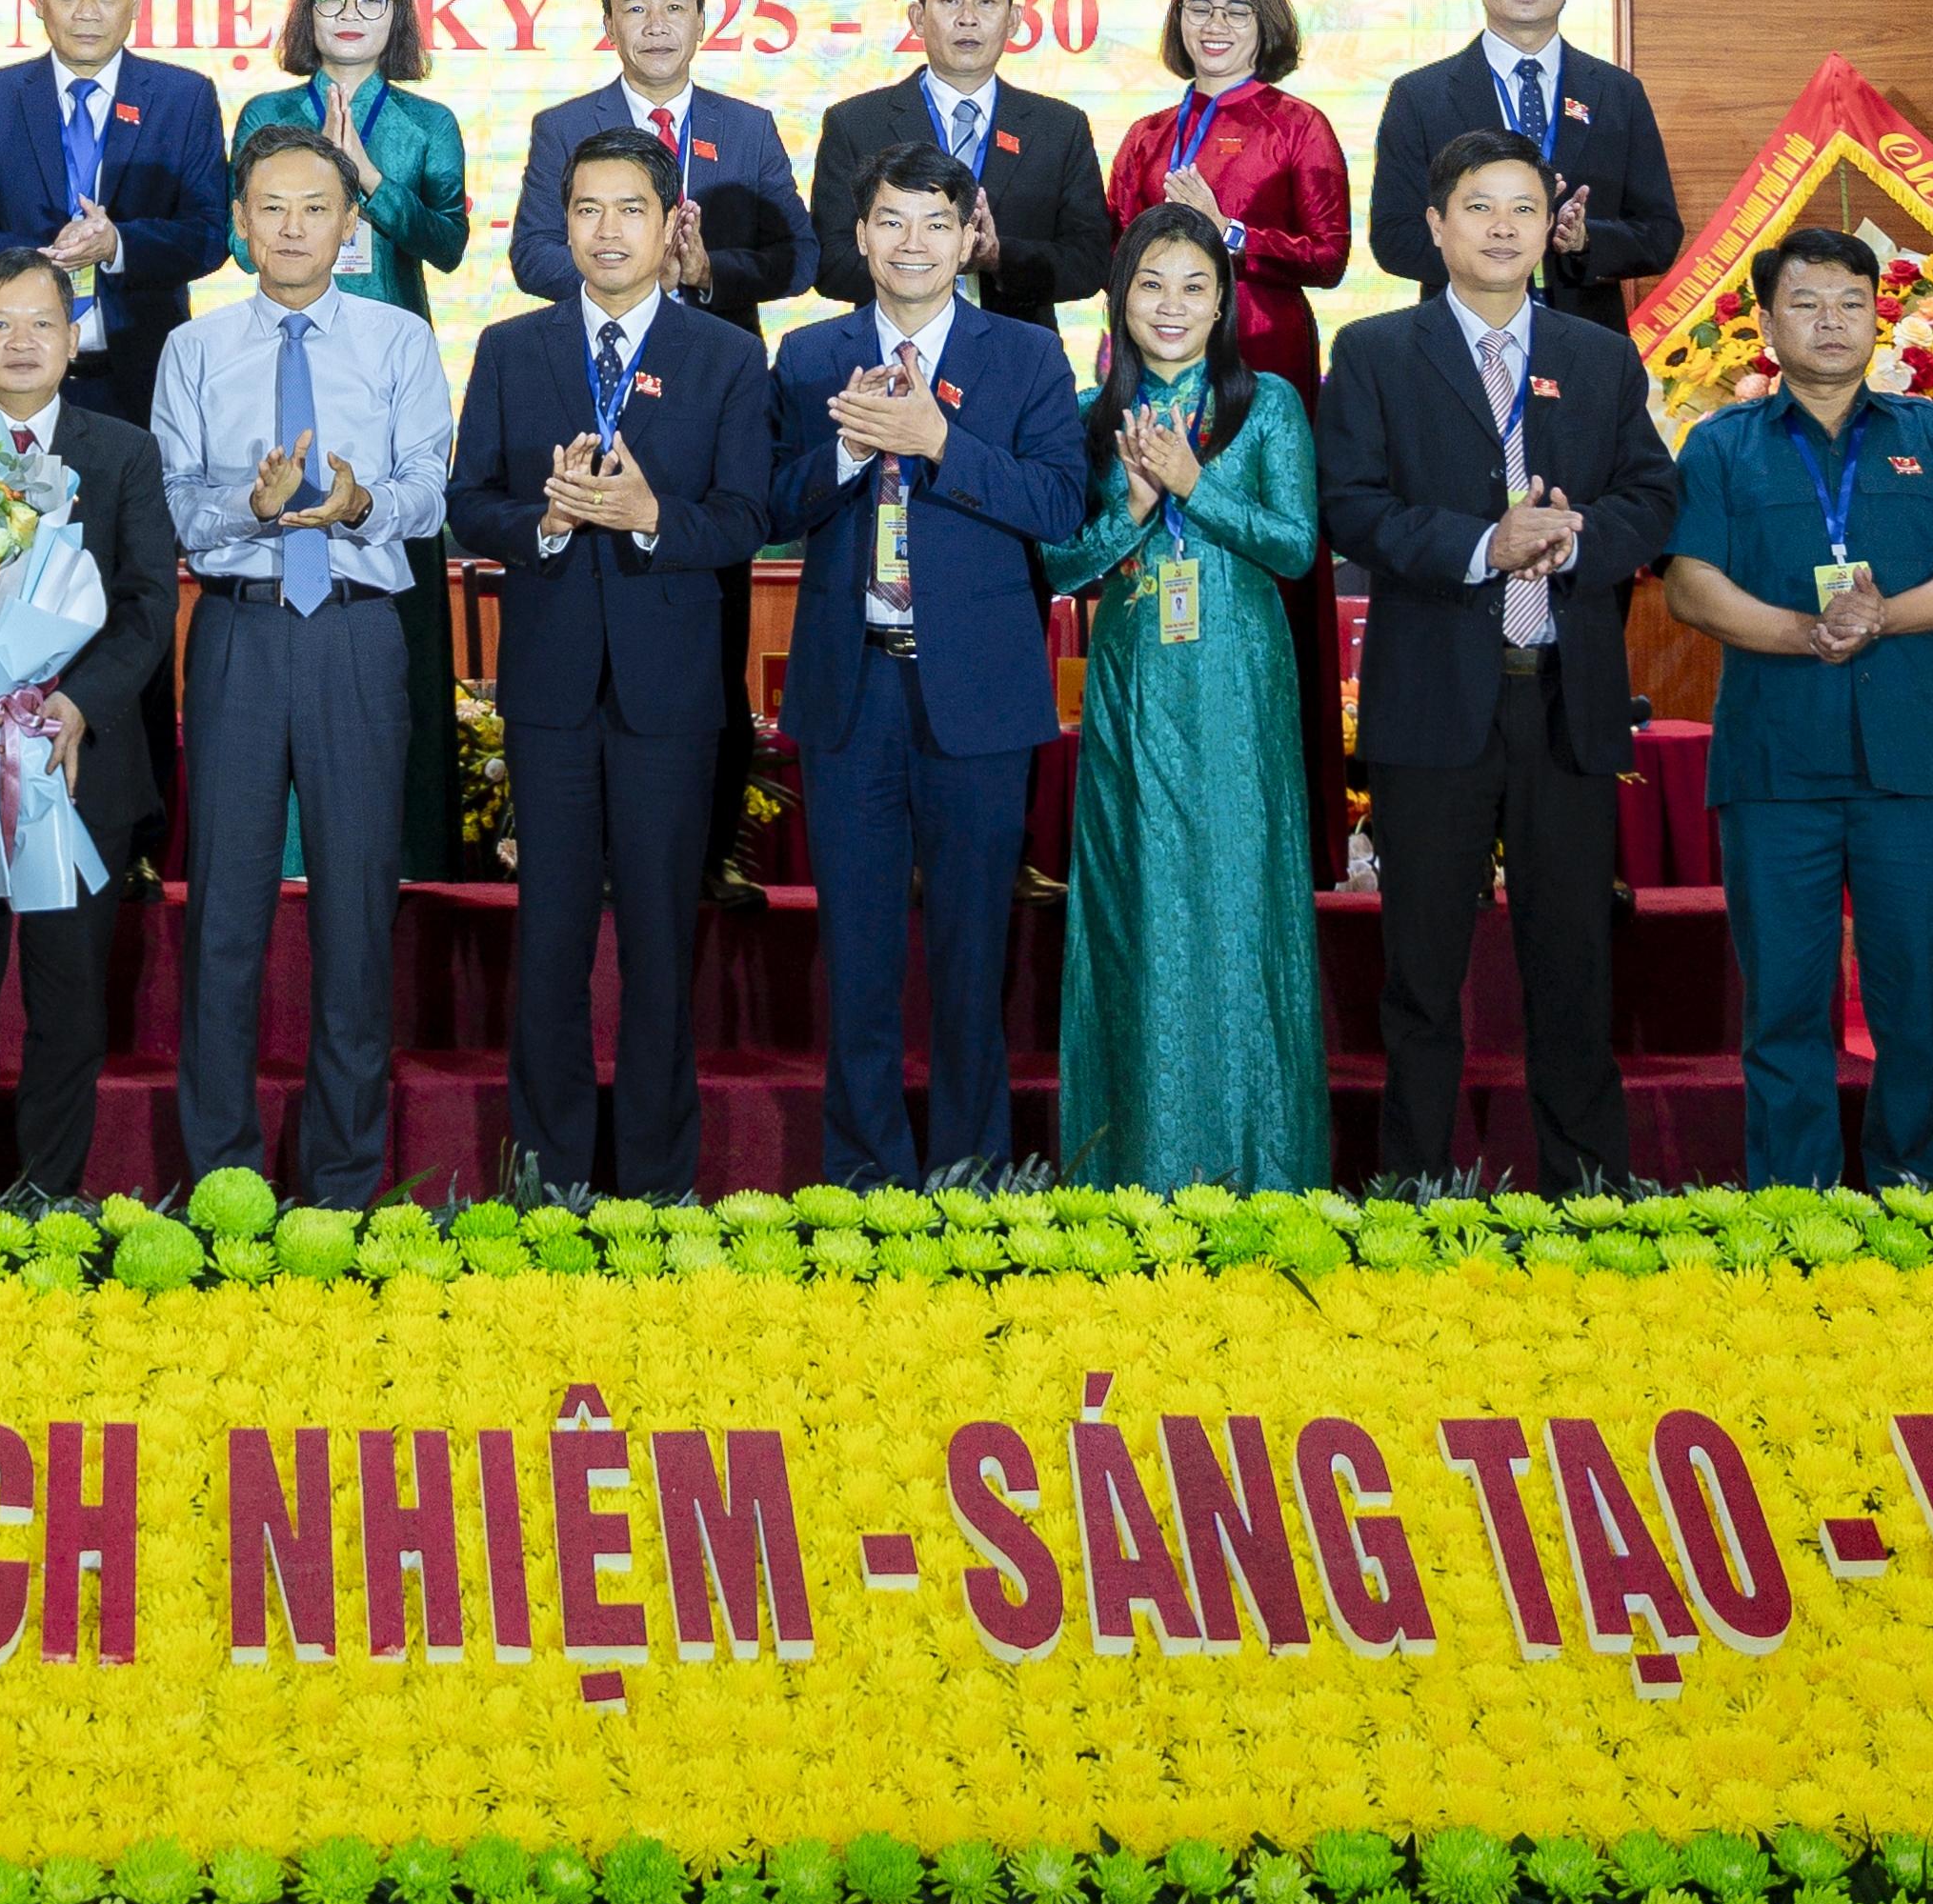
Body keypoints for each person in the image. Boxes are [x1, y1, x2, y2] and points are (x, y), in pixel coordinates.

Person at [1315, 129, 1683, 1184]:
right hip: (1433, 706)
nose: (1504, 228)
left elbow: (1653, 495)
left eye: (1525, 207)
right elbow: (1351, 507)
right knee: (1423, 974)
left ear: (1549, 226)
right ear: (1436, 226)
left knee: (1573, 964)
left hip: (1566, 702)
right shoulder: (1376, 352)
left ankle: (1588, 1192)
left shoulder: (1598, 355)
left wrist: (1576, 541)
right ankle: (1416, 1189)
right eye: (1479, 207)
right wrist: (1487, 545)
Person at [451, 130, 777, 1196]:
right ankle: (543, 1179)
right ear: (563, 224)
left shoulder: (727, 356)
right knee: (548, 944)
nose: (606, 231)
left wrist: (649, 516)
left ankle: (656, 1184)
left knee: (658, 946)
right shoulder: (512, 348)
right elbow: (468, 503)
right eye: (586, 209)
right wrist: (543, 524)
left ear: (671, 222)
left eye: (630, 209)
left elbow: (747, 516)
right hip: (548, 691)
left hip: (670, 696)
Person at [1663, 229, 1933, 1189]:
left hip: (1913, 763)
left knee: (1919, 1003)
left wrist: (1882, 616)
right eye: (1807, 303)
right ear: (1766, 321)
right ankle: (1798, 1205)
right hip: (1776, 766)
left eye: (1852, 304)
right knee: (1784, 1006)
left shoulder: (1930, 435)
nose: (1832, 323)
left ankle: (1919, 1192)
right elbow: (1690, 585)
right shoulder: (1721, 444)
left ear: (1877, 319)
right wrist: (1803, 632)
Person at [771, 143, 1087, 1182]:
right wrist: (849, 451)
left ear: (968, 238)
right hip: (850, 687)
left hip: (979, 697)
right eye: (892, 222)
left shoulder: (1026, 356)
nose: (913, 243)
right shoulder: (808, 356)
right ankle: (865, 1181)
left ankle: (972, 1179)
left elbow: (1060, 506)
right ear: (861, 237)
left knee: (970, 961)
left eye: (936, 223)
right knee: (857, 964)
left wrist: (938, 439)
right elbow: (767, 507)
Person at [155, 130, 455, 1208]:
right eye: (270, 208)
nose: (291, 227)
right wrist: (254, 504)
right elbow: (176, 506)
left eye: (314, 208)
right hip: (238, 631)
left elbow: (430, 487)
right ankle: (223, 1182)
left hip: (358, 635)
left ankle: (343, 1185)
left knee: (356, 915)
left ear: (349, 223)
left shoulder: (398, 338)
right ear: (240, 224)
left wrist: (360, 504)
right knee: (224, 918)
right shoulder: (194, 348)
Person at [1033, 209, 1327, 1188]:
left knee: (1243, 911)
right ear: (1121, 298)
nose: (1172, 305)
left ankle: (1261, 1169)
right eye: (1152, 284)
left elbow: (1295, 547)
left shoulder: (1267, 406)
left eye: (1195, 285)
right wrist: (1134, 504)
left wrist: (1195, 483)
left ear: (1223, 300)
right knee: (1141, 912)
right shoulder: (1089, 416)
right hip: (1134, 688)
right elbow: (1061, 565)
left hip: (1242, 687)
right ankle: (1137, 1168)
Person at [0, 255, 177, 1198]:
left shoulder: (123, 452)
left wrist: (81, 703)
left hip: (75, 767)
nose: (21, 342)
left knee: (69, 1004)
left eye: (42, 323)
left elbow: (147, 604)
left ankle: (50, 1204)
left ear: (73, 339)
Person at [1105, 0, 1359, 879]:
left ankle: (1285, 834)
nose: (1214, 26)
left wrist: (1232, 232)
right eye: (1199, 8)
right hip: (1155, 378)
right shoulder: (1143, 136)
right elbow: (1119, 264)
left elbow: (1329, 255)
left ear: (1267, 22)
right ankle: (1161, 822)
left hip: (1263, 370)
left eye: (1235, 10)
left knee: (1264, 569)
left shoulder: (1298, 125)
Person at [232, 0, 474, 873]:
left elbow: (447, 245)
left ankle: (403, 848)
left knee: (394, 611)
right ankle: (285, 848)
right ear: (307, 9)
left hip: (388, 378)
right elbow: (237, 240)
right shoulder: (266, 112)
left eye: (373, 1)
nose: (350, 15)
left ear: (398, 18)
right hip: (284, 365)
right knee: (285, 588)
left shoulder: (426, 121)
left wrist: (366, 177)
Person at [0, 0, 228, 431]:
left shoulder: (184, 98)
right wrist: (42, 259)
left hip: (145, 376)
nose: (87, 13)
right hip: (17, 377)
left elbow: (208, 234)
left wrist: (116, 245)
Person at [1364, 0, 1684, 328]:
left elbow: (1659, 234)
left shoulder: (1617, 93)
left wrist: (1583, 240)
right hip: (1460, 337)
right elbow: (1394, 238)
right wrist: (1496, 248)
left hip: (1586, 340)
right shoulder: (1420, 97)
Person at [808, 0, 1116, 331]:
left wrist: (997, 257)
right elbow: (830, 264)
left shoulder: (1059, 128)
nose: (967, 17)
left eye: (986, 1)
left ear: (1013, 20)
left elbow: (1089, 264)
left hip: (1016, 351)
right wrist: (925, 263)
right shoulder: (855, 123)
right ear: (918, 18)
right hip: (891, 350)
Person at [503, 0, 811, 331]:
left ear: (700, 23)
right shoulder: (563, 128)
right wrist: (635, 278)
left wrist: (706, 271)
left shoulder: (749, 128)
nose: (656, 27)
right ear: (609, 27)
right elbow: (532, 255)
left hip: (720, 352)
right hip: (598, 346)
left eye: (675, 8)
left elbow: (800, 257)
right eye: (636, 9)